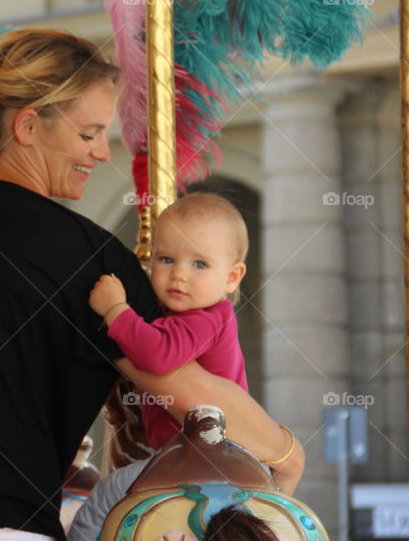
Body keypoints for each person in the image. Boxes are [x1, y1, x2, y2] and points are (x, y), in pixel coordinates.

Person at [0, 29, 303, 541]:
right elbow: (192, 394)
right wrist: (286, 452)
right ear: (29, 126)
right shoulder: (84, 255)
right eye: (88, 134)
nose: (103, 153)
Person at [70, 193, 292, 541]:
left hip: (208, 459)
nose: (179, 275)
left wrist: (115, 311)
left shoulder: (207, 318)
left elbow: (158, 355)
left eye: (200, 264)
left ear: (233, 277)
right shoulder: (186, 316)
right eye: (166, 258)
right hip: (203, 458)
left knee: (107, 495)